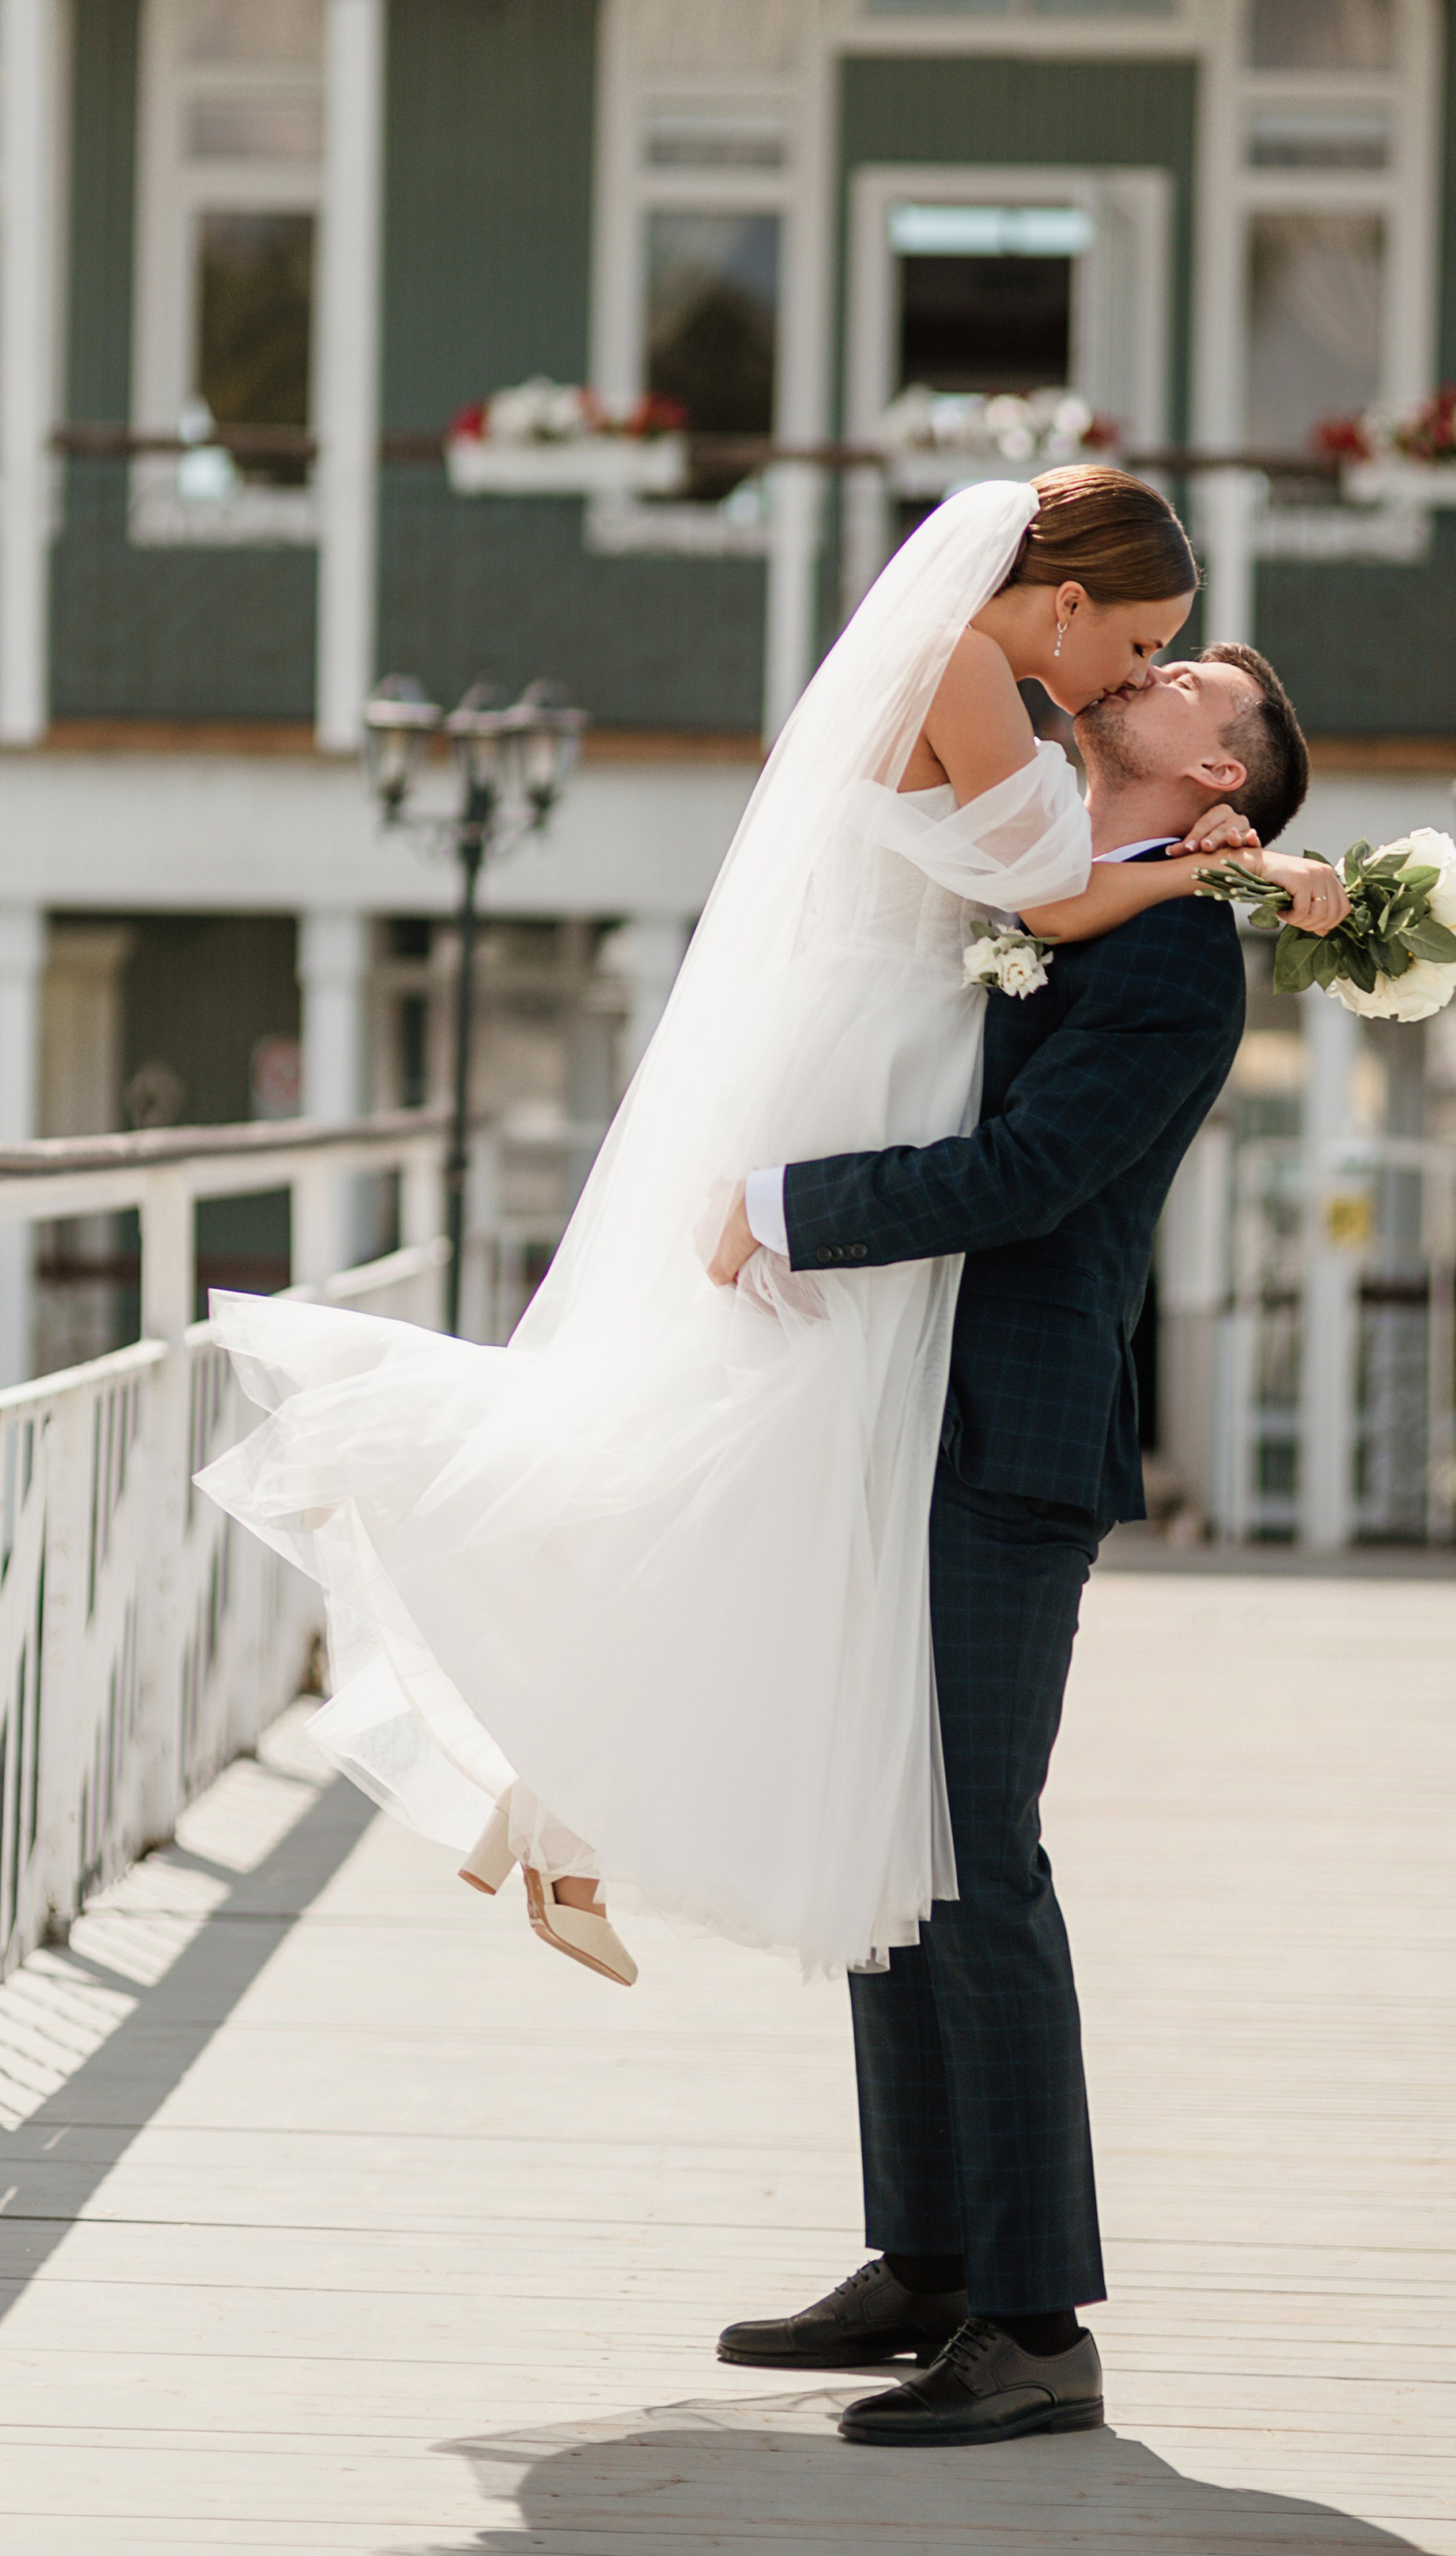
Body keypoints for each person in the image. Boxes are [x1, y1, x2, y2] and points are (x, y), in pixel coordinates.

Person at [198, 472, 1338, 1994]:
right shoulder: (964, 668)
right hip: (873, 1053)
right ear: (1066, 602)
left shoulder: (987, 674)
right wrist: (1236, 864)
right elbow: (1058, 902)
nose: (1131, 675)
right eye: (1140, 643)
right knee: (752, 1443)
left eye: (1159, 668)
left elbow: (1057, 904)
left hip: (887, 1050)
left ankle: (571, 1794)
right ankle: (568, 1784)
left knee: (762, 1462)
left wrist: (1228, 866)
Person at [705, 635, 1317, 2449]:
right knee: (895, 1846)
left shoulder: (1180, 960)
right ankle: (930, 2259)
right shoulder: (1062, 881)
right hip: (902, 1417)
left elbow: (1023, 1175)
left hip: (1008, 1440)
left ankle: (1037, 2326)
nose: (1148, 669)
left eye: (1190, 678)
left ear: (1222, 774)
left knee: (975, 1858)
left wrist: (778, 1206)